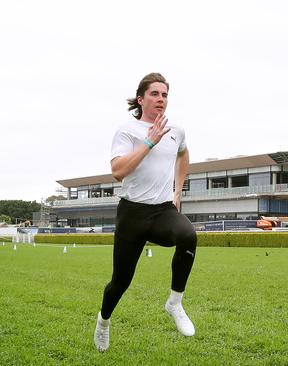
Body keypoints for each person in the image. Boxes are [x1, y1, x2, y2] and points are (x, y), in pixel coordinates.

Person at [94, 73, 197, 353]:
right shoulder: (128, 131)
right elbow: (118, 172)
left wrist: (178, 191)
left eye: (164, 95)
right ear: (141, 99)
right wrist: (149, 142)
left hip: (162, 211)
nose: (161, 99)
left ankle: (175, 302)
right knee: (120, 283)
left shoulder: (177, 130)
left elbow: (184, 154)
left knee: (188, 235)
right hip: (132, 214)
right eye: (155, 94)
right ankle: (103, 322)